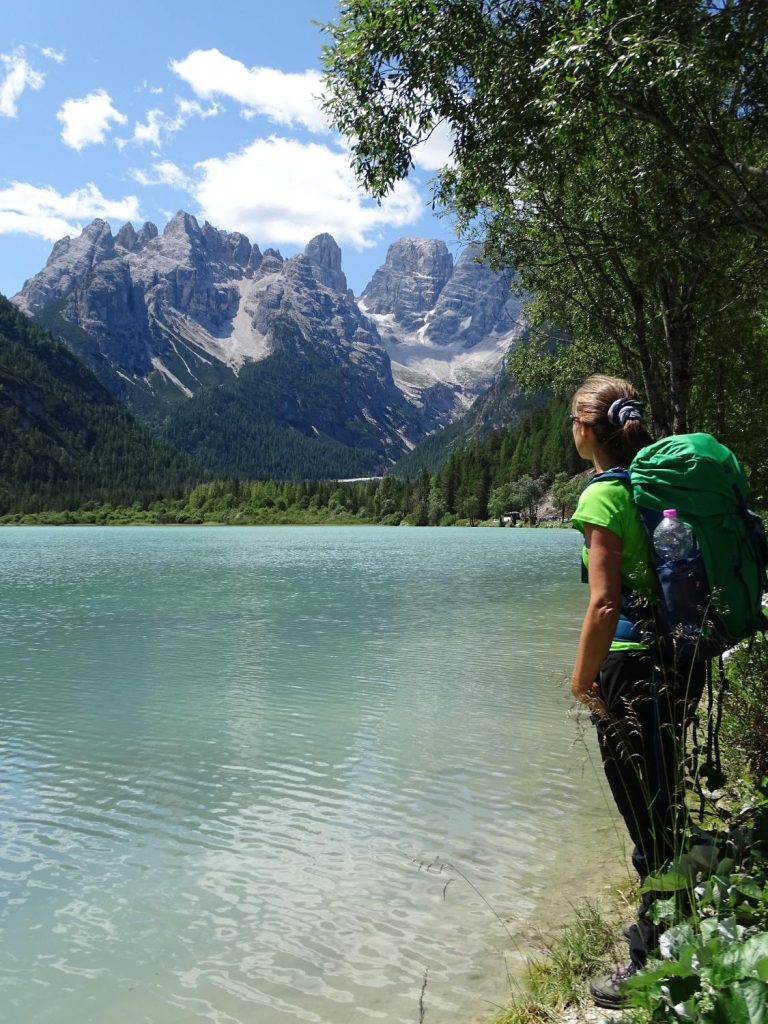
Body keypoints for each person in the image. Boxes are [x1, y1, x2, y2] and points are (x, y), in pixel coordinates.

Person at [568, 374, 706, 1009]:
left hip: (630, 670)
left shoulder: (602, 498)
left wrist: (580, 677)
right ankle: (686, 922)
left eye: (573, 421)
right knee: (661, 792)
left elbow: (603, 605)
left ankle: (650, 958)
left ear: (587, 432)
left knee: (642, 810)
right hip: (682, 659)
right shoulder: (659, 488)